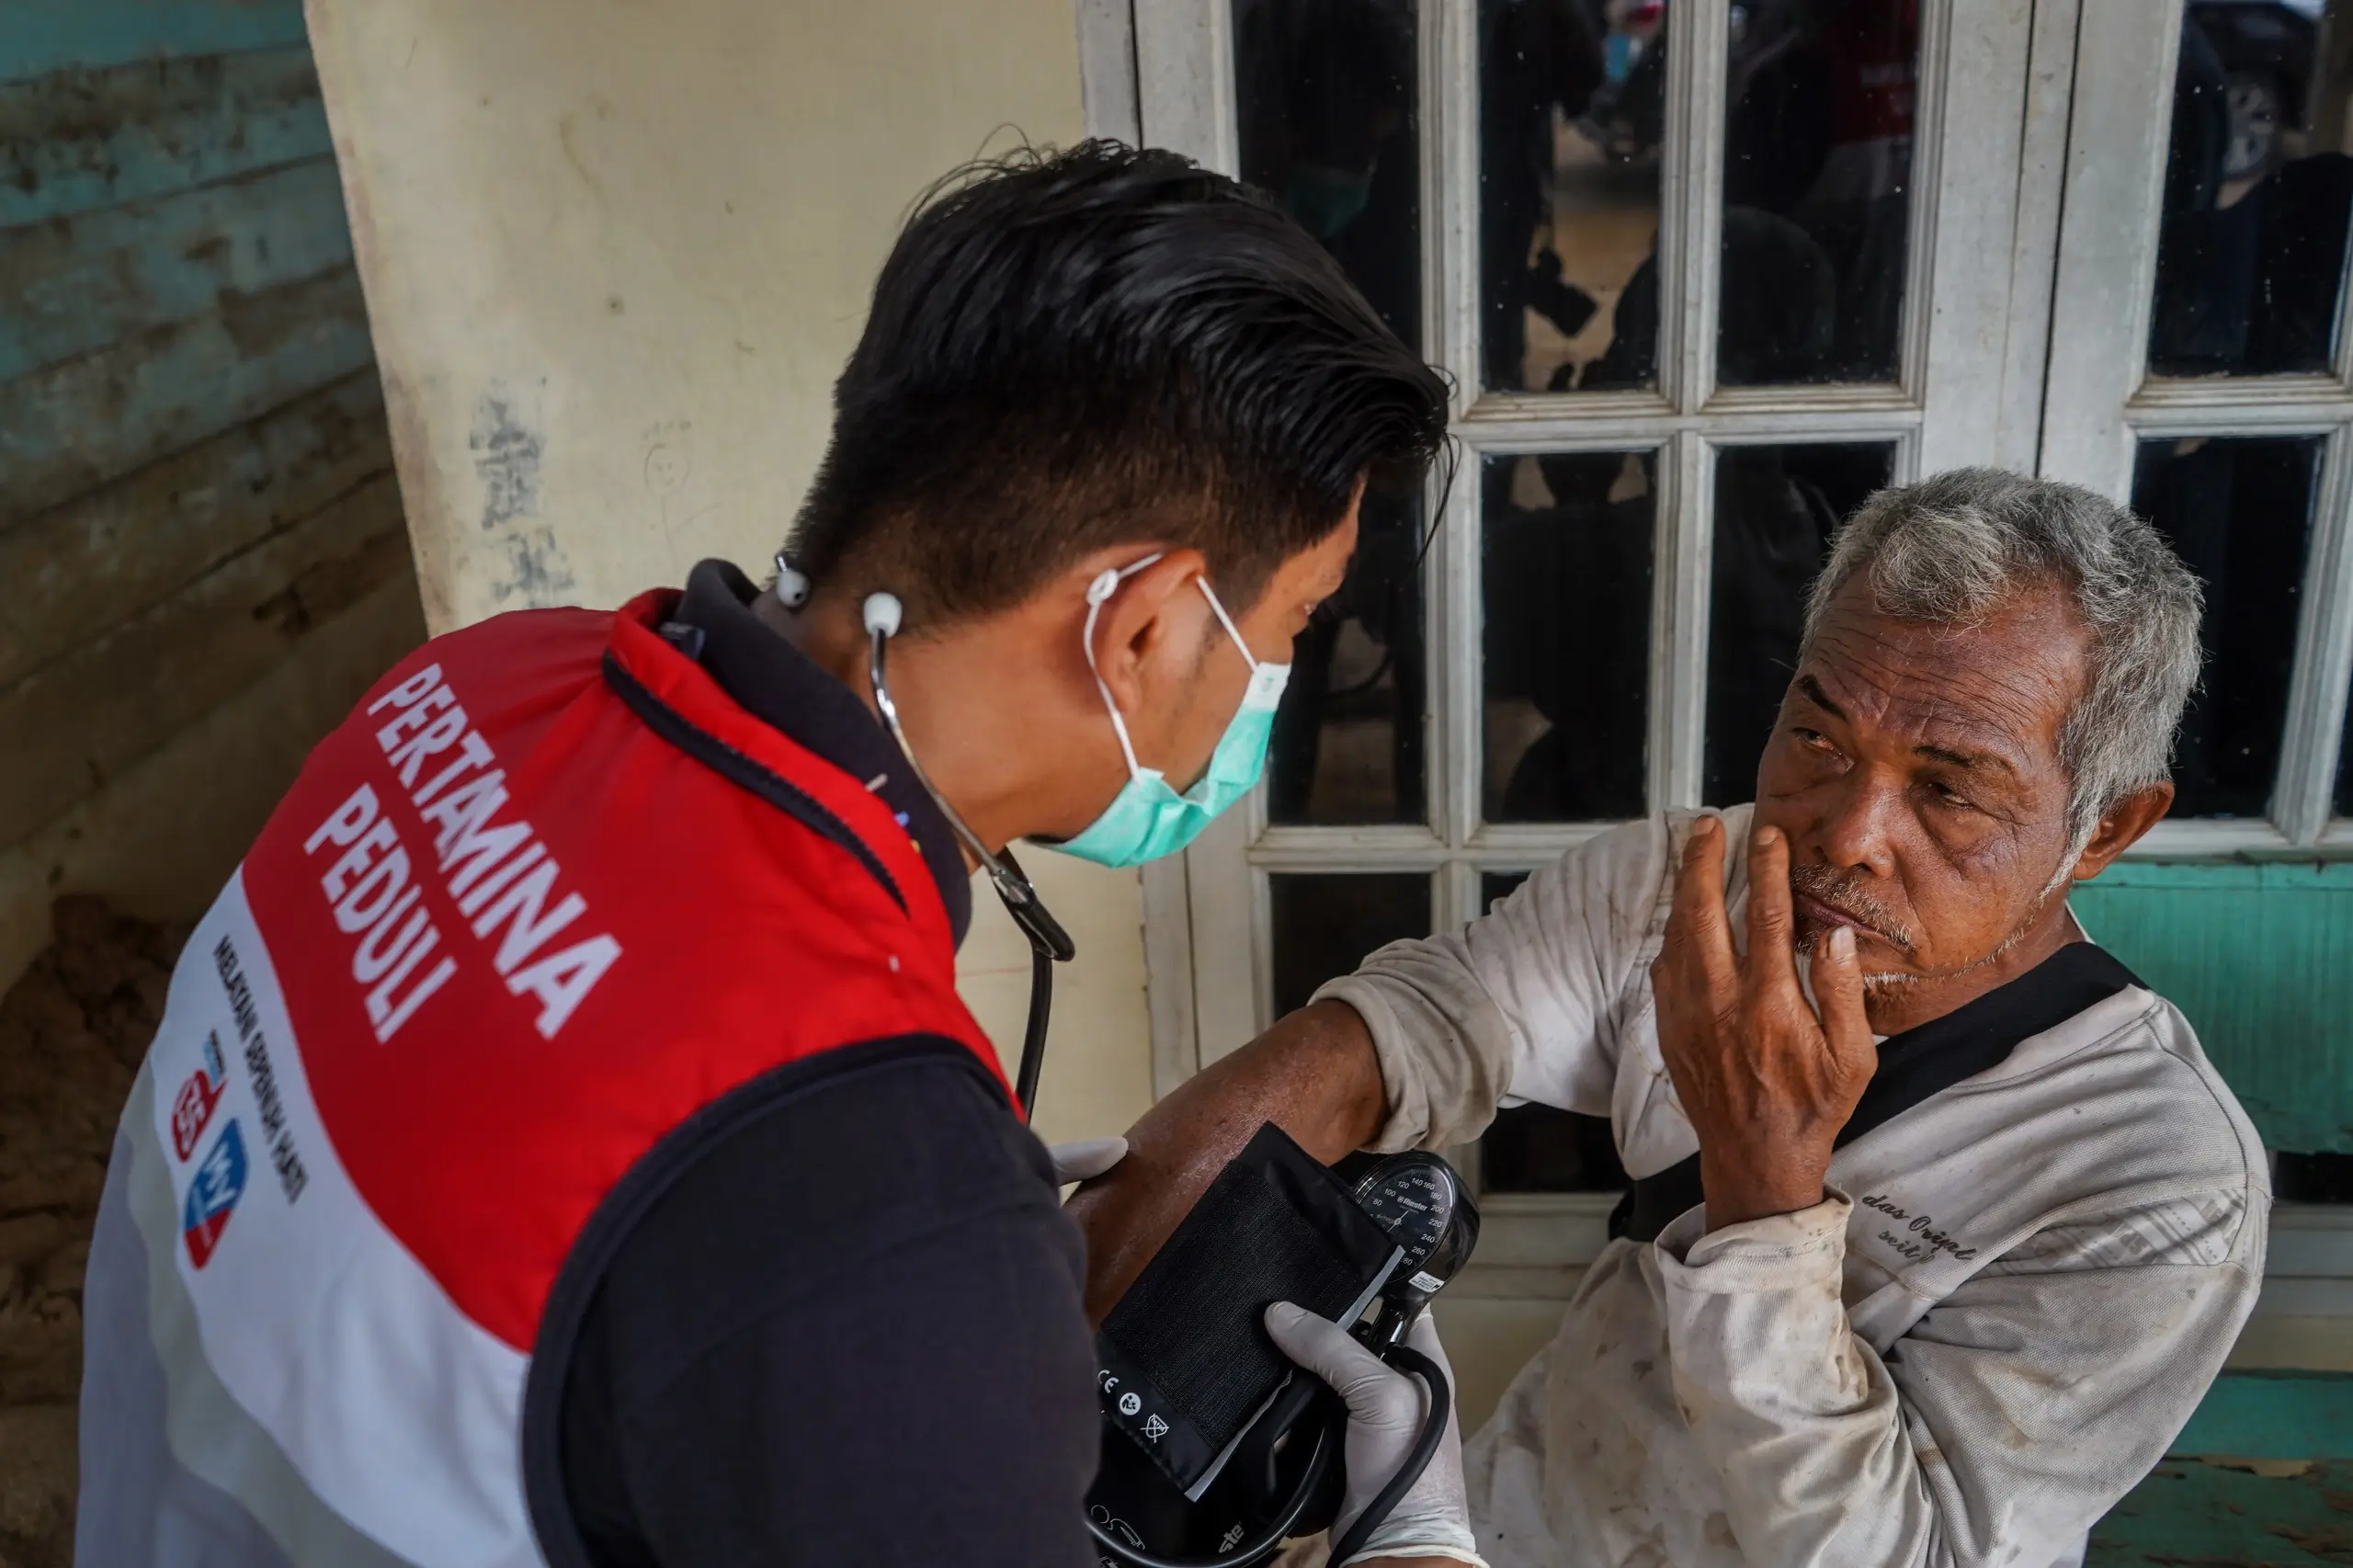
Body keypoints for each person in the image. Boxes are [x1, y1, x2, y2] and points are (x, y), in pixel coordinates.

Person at [74, 142, 1479, 1568]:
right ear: (1145, 625)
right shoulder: (881, 1211)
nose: (1276, 682)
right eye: (1294, 623)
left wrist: (857, 1260)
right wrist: (1412, 1540)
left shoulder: (477, 685)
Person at [1072, 468, 2270, 1567]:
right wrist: (1054, 1313)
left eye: (1951, 786)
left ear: (2104, 828)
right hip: (1502, 1529)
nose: (1842, 834)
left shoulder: (2159, 1182)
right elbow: (1408, 1034)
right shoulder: (1695, 889)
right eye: (1817, 735)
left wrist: (1766, 1195)